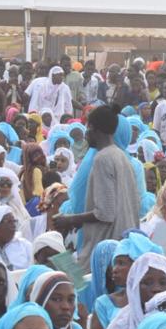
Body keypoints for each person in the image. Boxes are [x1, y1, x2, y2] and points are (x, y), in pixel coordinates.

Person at [53, 106, 142, 271]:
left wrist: (71, 219)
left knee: (74, 277)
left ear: (94, 129)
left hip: (105, 247)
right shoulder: (122, 156)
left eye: (87, 128)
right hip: (122, 244)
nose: (86, 134)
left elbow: (105, 213)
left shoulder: (103, 159)